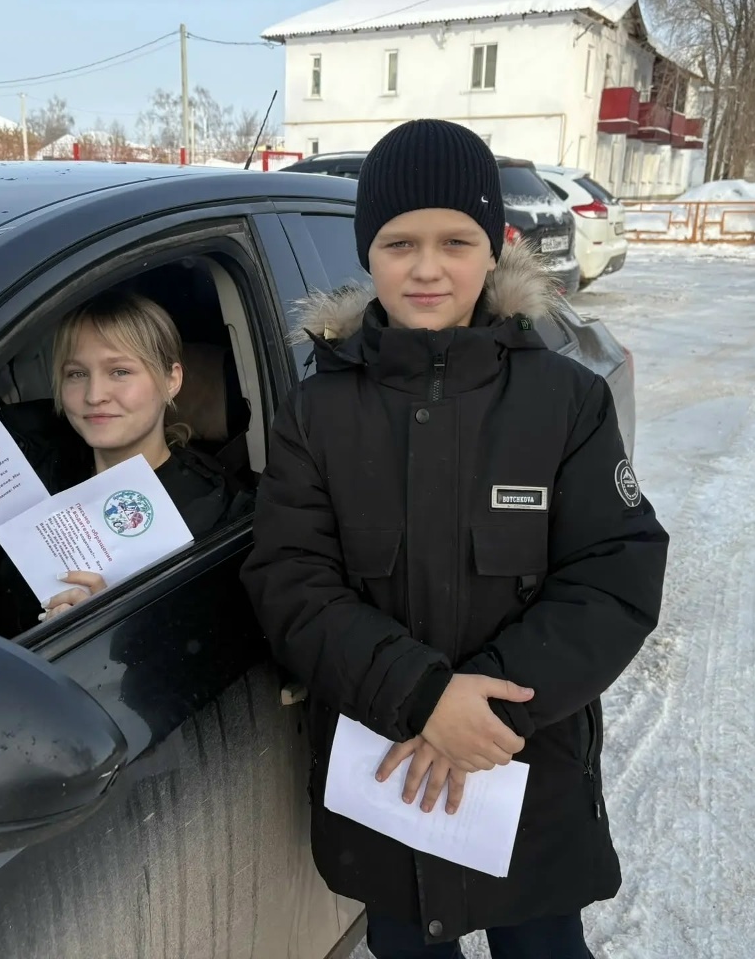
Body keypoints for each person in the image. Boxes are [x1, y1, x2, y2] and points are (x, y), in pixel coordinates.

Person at [240, 120, 669, 958]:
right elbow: (291, 582)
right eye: (400, 242)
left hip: (525, 774)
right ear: (368, 252)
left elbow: (614, 575)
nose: (427, 267)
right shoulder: (318, 413)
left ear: (494, 247)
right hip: (389, 784)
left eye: (454, 241)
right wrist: (424, 698)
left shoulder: (563, 402)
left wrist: (496, 698)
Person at [0, 289, 250, 638]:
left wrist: (114, 630)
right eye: (77, 374)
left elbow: (213, 660)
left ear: (171, 380)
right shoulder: (30, 471)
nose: (94, 395)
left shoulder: (218, 512)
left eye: (120, 372)